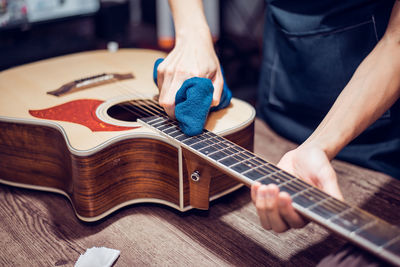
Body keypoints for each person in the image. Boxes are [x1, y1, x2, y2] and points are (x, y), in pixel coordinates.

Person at [155, 0, 400, 265]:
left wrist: (319, 145)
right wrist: (193, 34)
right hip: (276, 107)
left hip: (370, 133)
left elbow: (397, 42)